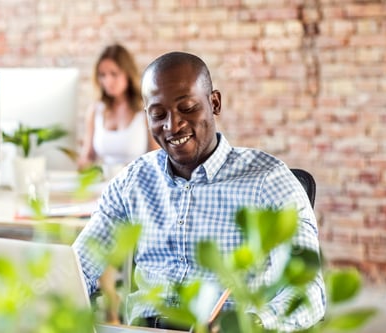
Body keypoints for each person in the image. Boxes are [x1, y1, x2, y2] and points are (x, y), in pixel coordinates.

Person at [73, 51, 326, 331]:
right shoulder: (132, 180)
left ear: (214, 103)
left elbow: (308, 293)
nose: (173, 125)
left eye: (187, 108)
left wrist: (252, 325)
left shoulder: (269, 181)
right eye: (158, 114)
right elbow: (79, 267)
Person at [77, 43, 159, 176]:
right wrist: (85, 164)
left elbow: (157, 160)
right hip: (103, 184)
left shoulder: (145, 111)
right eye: (102, 75)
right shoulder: (95, 110)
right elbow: (88, 156)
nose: (107, 81)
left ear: (127, 74)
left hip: (136, 183)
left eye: (114, 74)